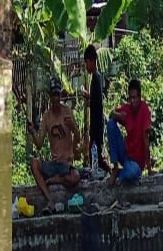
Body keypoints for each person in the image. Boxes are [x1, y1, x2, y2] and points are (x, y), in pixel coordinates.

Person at [28, 77, 81, 209]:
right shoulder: (46, 116)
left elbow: (78, 137)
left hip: (65, 164)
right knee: (34, 163)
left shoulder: (67, 112)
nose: (56, 98)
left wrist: (73, 127)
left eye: (58, 95)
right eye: (53, 95)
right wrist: (32, 131)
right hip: (54, 163)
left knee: (75, 177)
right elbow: (39, 144)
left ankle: (57, 179)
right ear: (50, 96)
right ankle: (49, 199)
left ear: (60, 95)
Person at [106, 78, 152, 185]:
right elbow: (111, 114)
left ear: (139, 97)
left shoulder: (145, 110)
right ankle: (116, 167)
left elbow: (146, 139)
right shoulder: (127, 108)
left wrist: (149, 168)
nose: (132, 101)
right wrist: (118, 116)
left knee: (132, 173)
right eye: (130, 98)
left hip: (136, 163)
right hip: (125, 154)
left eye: (134, 98)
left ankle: (120, 175)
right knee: (111, 124)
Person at [82, 44, 107, 172]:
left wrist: (88, 97)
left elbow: (97, 104)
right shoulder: (96, 78)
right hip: (96, 124)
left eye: (86, 63)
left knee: (96, 155)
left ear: (92, 61)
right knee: (95, 155)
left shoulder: (96, 78)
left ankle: (105, 172)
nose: (86, 66)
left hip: (96, 125)